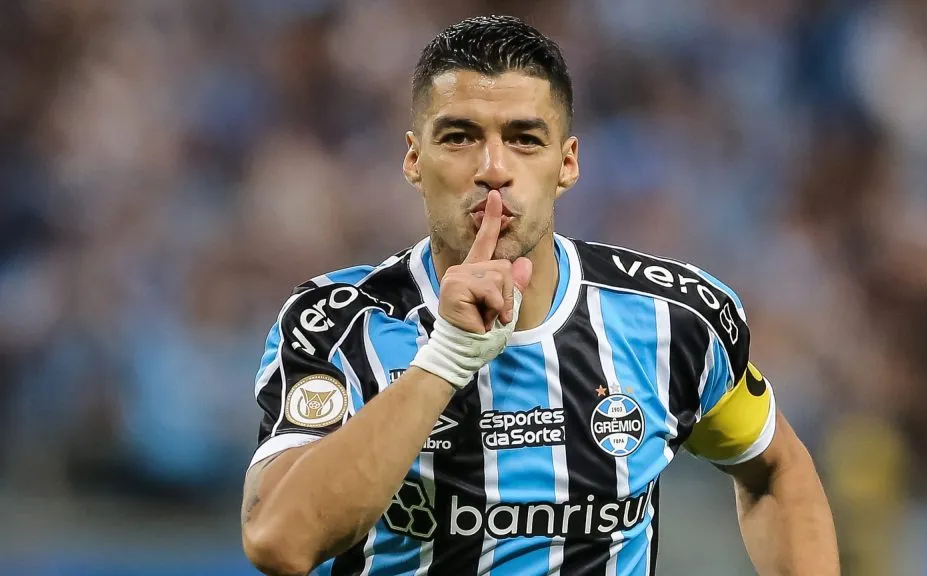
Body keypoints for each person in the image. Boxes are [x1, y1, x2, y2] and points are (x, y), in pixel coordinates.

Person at [240, 15, 839, 576]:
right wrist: (444, 360)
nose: (493, 168)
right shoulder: (338, 325)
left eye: (524, 139)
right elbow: (279, 540)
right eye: (459, 137)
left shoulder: (672, 319)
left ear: (567, 163)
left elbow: (776, 469)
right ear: (414, 159)